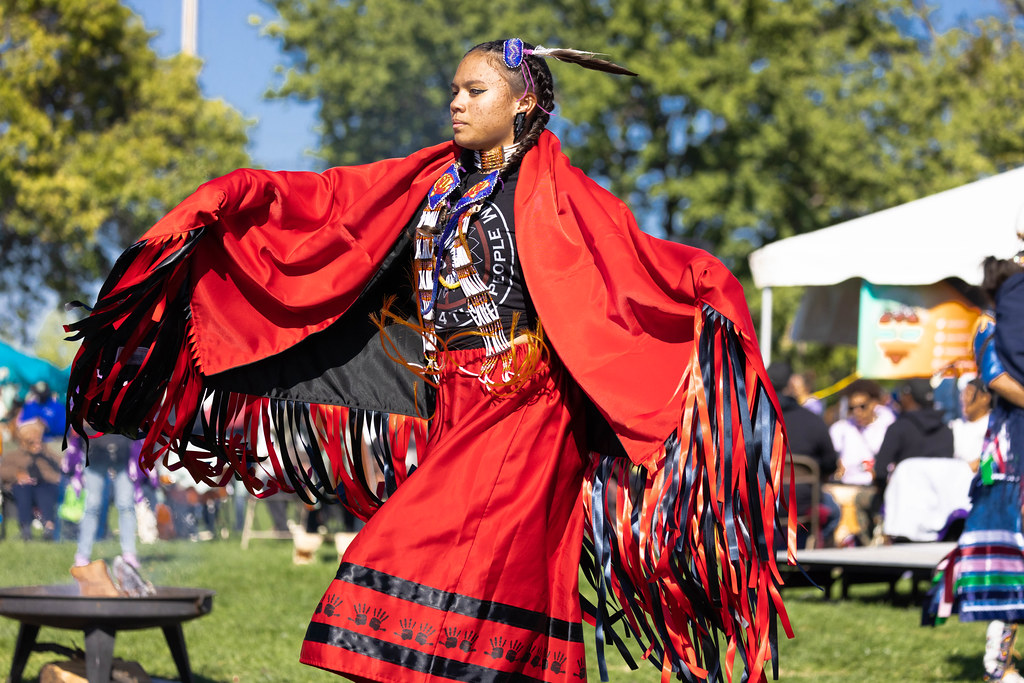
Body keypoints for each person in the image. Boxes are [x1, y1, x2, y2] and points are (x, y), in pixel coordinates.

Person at [65, 39, 794, 682]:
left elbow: (637, 266)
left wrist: (709, 295)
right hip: (457, 404)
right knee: (503, 581)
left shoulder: (559, 196)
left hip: (527, 410)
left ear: (523, 103)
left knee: (397, 553)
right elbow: (331, 205)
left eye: (474, 90)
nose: (455, 103)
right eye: (453, 90)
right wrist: (237, 193)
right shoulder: (435, 181)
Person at [924, 255, 1024, 683]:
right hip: (1008, 460)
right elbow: (996, 378)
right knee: (1012, 564)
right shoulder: (987, 324)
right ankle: (996, 665)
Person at [768, 361, 840, 546]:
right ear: (791, 385)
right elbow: (830, 463)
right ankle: (814, 564)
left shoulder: (750, 420)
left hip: (759, 505)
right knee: (834, 511)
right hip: (804, 504)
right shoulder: (812, 421)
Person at [873, 378, 954, 491]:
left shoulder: (898, 428)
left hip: (905, 501)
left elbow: (880, 471)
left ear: (908, 397)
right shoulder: (946, 430)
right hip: (940, 501)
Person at [0, 418, 61, 540]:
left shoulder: (47, 454)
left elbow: (57, 470)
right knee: (23, 491)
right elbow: (3, 471)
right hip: (22, 486)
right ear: (24, 441)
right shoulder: (14, 455)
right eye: (32, 440)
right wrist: (17, 474)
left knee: (44, 491)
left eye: (38, 438)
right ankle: (25, 527)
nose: (37, 442)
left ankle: (49, 525)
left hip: (44, 485)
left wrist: (42, 455)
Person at [950, 377, 993, 470]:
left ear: (985, 398)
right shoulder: (955, 426)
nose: (963, 398)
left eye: (969, 393)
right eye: (962, 394)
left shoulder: (994, 426)